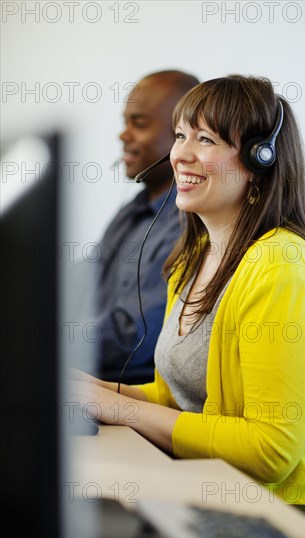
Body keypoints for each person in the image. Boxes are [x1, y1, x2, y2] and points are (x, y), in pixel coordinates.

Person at [70, 74, 305, 510]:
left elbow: (270, 450)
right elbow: (174, 399)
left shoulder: (282, 267)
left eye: (205, 139)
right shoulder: (193, 255)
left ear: (260, 160)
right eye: (181, 135)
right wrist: (91, 389)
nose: (180, 153)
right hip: (209, 491)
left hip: (287, 513)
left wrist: (118, 409)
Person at [96, 70, 200, 384]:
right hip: (93, 382)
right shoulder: (133, 210)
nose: (123, 135)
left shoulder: (191, 225)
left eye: (139, 124)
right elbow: (81, 284)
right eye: (125, 122)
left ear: (182, 137)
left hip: (133, 394)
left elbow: (133, 336)